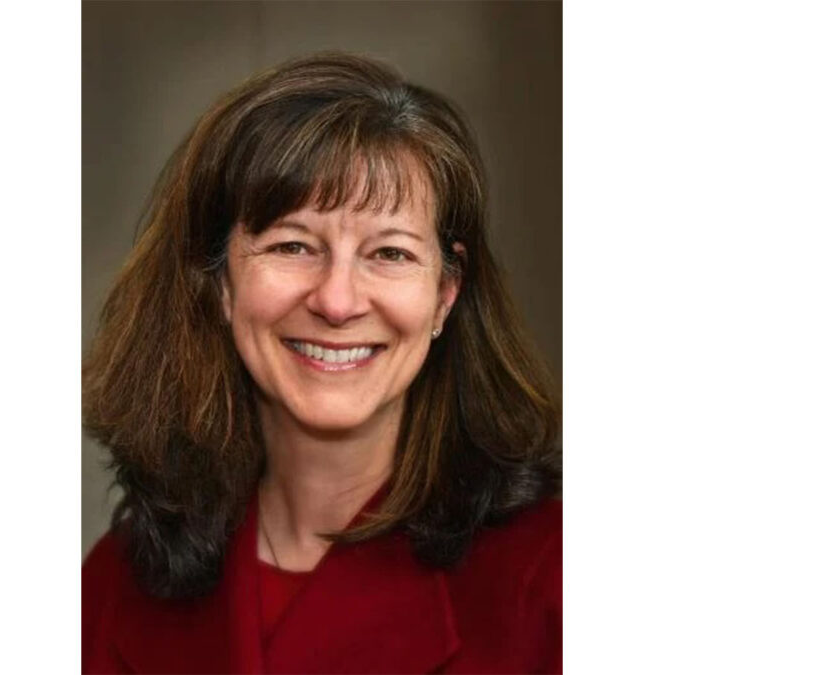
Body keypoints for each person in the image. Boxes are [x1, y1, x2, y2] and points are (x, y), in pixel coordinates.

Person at [82, 52, 561, 674]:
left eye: (389, 253)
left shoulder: (555, 575)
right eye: (292, 246)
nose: (337, 301)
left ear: (446, 294)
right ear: (221, 282)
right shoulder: (115, 581)